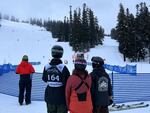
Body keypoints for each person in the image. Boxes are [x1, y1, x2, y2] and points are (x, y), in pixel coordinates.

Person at [42, 45, 70, 113]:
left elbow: (44, 79)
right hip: (61, 97)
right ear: (61, 54)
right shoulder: (63, 67)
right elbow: (67, 82)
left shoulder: (47, 67)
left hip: (49, 96)